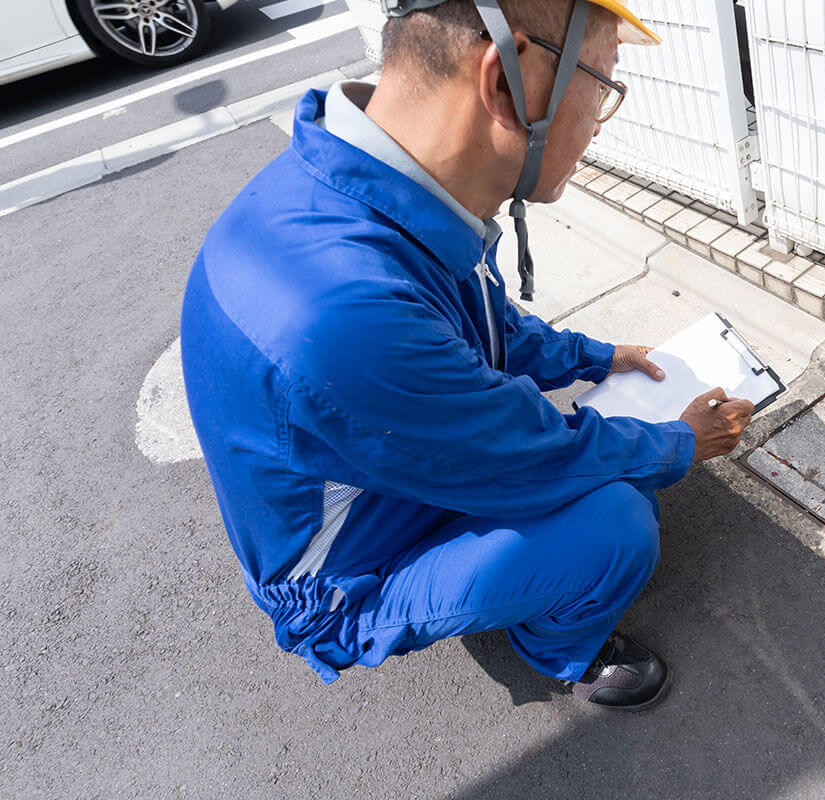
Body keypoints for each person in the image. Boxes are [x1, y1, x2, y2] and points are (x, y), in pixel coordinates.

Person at [180, 0, 754, 711]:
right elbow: (536, 456)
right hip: (345, 578)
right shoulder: (345, 315)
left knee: (601, 461)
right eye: (601, 85)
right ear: (505, 81)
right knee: (616, 523)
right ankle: (557, 648)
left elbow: (481, 324)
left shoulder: (369, 192)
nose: (602, 124)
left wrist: (595, 357)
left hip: (383, 471)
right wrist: (678, 443)